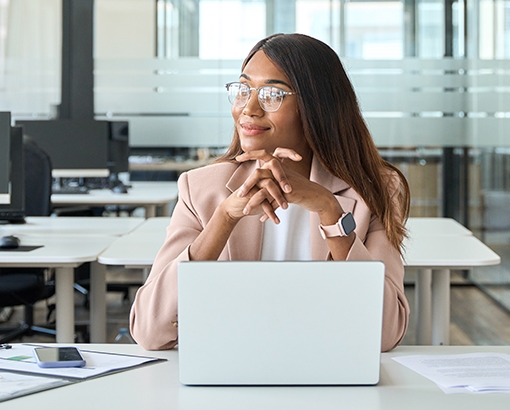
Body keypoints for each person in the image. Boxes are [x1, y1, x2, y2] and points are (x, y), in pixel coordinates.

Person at [129, 33, 411, 352]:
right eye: (243, 90)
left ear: (317, 105)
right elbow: (149, 331)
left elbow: (386, 333)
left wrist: (329, 209)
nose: (249, 108)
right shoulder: (201, 189)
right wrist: (224, 219)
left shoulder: (376, 189)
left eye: (272, 94)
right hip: (230, 376)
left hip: (330, 374)